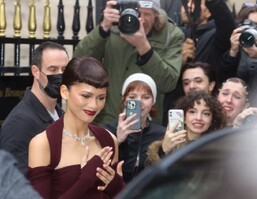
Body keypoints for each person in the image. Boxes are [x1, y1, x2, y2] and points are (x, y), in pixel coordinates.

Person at [73, 0, 184, 125]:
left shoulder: (171, 35)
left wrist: (144, 47)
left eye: (146, 14)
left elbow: (168, 83)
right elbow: (79, 62)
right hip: (108, 120)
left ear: (157, 14)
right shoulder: (113, 25)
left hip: (145, 124)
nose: (140, 20)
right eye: (135, 13)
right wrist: (103, 28)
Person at [27, 57, 124, 199]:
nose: (94, 105)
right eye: (86, 96)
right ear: (65, 92)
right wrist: (85, 181)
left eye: (101, 98)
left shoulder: (108, 140)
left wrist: (117, 187)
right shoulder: (43, 144)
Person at [0, 41, 69, 174]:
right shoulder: (19, 123)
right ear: (36, 72)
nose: (60, 75)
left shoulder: (60, 114)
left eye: (64, 70)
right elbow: (15, 182)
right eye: (53, 69)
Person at [104, 73, 165, 183]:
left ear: (153, 101)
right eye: (132, 97)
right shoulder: (107, 131)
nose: (139, 102)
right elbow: (99, 167)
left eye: (145, 97)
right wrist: (117, 140)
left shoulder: (161, 134)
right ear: (124, 100)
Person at [147, 91, 226, 165]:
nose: (198, 118)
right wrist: (163, 151)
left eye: (206, 113)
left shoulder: (217, 151)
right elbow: (149, 176)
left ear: (212, 120)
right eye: (192, 112)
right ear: (183, 117)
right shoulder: (167, 144)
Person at [162, 61, 216, 125]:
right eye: (186, 83)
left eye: (198, 81)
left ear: (211, 85)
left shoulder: (222, 111)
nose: (191, 86)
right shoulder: (176, 114)